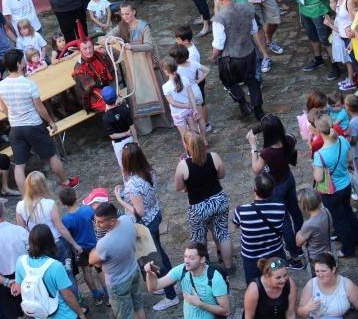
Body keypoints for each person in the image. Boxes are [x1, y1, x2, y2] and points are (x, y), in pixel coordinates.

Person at [0, 49, 79, 192]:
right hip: (33, 125)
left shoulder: (1, 85)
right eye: (22, 60)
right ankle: (65, 182)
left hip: (16, 128)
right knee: (52, 155)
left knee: (19, 165)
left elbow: (4, 109)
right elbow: (40, 108)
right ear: (19, 63)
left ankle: (25, 196)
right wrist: (51, 122)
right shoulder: (29, 84)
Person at [113, 143, 178, 310]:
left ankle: (171, 296)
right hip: (155, 214)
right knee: (160, 253)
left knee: (156, 260)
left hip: (146, 224)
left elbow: (139, 212)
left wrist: (120, 200)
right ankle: (171, 282)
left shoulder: (133, 184)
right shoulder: (149, 171)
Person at [104, 3, 172, 134]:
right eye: (123, 14)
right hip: (133, 68)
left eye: (127, 13)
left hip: (148, 65)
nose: (125, 16)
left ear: (134, 12)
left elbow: (149, 46)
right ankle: (146, 127)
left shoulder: (143, 26)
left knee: (154, 91)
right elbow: (106, 37)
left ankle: (162, 122)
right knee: (139, 95)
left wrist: (131, 47)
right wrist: (112, 40)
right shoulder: (122, 26)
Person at [247, 115, 303, 270]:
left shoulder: (267, 153)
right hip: (288, 179)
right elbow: (292, 141)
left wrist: (253, 147)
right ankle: (300, 244)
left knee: (284, 222)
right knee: (296, 212)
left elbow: (256, 169)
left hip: (275, 188)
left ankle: (295, 258)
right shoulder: (289, 140)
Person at [175, 131, 232, 271]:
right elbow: (222, 175)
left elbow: (179, 187)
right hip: (218, 201)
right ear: (203, 142)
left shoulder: (183, 165)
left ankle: (204, 268)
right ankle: (229, 266)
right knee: (223, 234)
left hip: (198, 208)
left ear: (187, 146)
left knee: (199, 239)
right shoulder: (214, 156)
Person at [312, 113, 358, 258]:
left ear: (318, 131)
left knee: (339, 220)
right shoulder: (342, 140)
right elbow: (349, 159)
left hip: (332, 192)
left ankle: (348, 249)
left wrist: (315, 167)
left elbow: (318, 178)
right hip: (346, 185)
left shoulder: (320, 155)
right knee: (348, 212)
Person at [210, 0, 264, 120]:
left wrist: (213, 57)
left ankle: (243, 104)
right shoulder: (248, 8)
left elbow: (219, 45)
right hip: (249, 52)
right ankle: (258, 109)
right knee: (252, 80)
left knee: (228, 81)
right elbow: (254, 30)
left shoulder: (219, 19)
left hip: (231, 58)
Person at [16, 172, 83, 276]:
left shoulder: (20, 206)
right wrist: (75, 244)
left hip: (38, 247)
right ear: (42, 185)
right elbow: (60, 228)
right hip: (56, 242)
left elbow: (22, 231)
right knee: (67, 275)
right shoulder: (49, 204)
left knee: (49, 277)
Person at [12, 224, 86, 319]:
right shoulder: (55, 266)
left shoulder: (21, 261)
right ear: (50, 242)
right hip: (64, 314)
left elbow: (18, 288)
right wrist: (81, 313)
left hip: (40, 314)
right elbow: (68, 296)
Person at [89, 203, 146, 319]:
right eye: (95, 221)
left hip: (118, 283)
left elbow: (91, 260)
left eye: (100, 222)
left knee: (125, 316)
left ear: (112, 221)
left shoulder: (104, 243)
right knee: (138, 307)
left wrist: (95, 249)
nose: (96, 225)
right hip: (134, 271)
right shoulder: (126, 219)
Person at [144, 242, 230, 318]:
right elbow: (154, 286)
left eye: (191, 258)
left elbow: (226, 311)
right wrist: (149, 273)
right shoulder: (182, 270)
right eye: (185, 257)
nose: (186, 261)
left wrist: (200, 304)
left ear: (202, 259)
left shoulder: (214, 278)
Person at [58, 188, 107, 306]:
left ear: (62, 203)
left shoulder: (65, 220)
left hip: (80, 249)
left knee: (86, 271)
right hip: (94, 245)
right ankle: (108, 294)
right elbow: (97, 222)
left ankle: (96, 296)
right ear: (76, 197)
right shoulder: (87, 210)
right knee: (100, 269)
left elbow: (67, 235)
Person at [233, 173, 285, 284]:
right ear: (272, 190)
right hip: (275, 254)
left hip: (252, 259)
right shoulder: (280, 208)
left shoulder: (241, 211)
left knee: (255, 285)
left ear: (255, 189)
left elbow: (236, 225)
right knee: (277, 282)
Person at [297, 254, 358, 318]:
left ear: (333, 270)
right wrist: (306, 309)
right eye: (317, 271)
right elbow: (299, 313)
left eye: (323, 271)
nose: (320, 275)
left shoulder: (346, 285)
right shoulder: (311, 284)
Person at [324, 0, 357, 90]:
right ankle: (354, 81)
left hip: (350, 37)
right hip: (342, 35)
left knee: (354, 62)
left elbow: (354, 21)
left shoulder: (349, 0)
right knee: (350, 61)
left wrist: (352, 40)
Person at [170, 43, 212, 132]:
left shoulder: (175, 70)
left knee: (191, 120)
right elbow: (207, 70)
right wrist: (198, 81)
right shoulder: (193, 63)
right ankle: (204, 137)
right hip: (196, 91)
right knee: (200, 117)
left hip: (187, 95)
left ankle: (195, 136)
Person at [161, 57, 204, 143]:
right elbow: (191, 96)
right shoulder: (185, 79)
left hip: (178, 113)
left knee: (184, 137)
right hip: (190, 110)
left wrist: (185, 105)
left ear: (166, 71)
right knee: (195, 133)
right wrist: (195, 109)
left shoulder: (165, 86)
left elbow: (172, 103)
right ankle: (199, 149)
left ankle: (189, 151)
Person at [72, 38, 115, 113]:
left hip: (106, 89)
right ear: (80, 50)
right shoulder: (79, 68)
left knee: (118, 100)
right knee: (111, 105)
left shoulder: (99, 55)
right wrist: (108, 97)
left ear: (93, 46)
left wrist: (105, 46)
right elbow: (90, 88)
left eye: (90, 47)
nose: (88, 51)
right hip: (92, 96)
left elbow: (116, 55)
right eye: (85, 49)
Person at [101, 85, 137, 170]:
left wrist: (125, 134)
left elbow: (112, 136)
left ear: (104, 101)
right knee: (136, 162)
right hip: (130, 139)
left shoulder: (106, 117)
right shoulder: (124, 109)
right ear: (116, 97)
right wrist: (136, 140)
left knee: (124, 167)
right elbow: (132, 127)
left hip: (119, 144)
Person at [295, 189, 332, 265]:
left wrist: (299, 232)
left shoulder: (308, 224)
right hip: (328, 249)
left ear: (304, 205)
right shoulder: (326, 211)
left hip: (315, 257)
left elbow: (298, 243)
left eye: (299, 202)